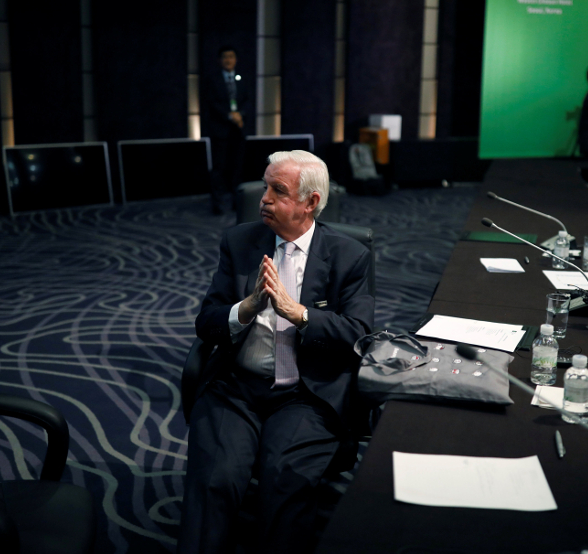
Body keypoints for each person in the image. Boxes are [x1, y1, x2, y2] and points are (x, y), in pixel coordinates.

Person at [178, 151, 374, 554]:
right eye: (265, 185)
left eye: (277, 190)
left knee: (284, 479)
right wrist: (243, 310)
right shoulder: (240, 242)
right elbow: (206, 322)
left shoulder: (349, 256)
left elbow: (359, 335)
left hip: (306, 395)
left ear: (310, 203)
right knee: (215, 478)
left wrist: (298, 313)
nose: (263, 198)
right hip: (236, 389)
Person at [203, 45, 250, 214]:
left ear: (235, 60)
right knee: (219, 167)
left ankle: (237, 202)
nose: (228, 60)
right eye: (225, 57)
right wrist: (230, 115)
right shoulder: (212, 79)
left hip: (238, 130)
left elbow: (247, 100)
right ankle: (217, 203)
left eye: (231, 57)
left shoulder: (242, 78)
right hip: (220, 130)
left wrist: (240, 114)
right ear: (220, 60)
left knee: (237, 167)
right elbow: (212, 103)